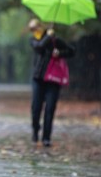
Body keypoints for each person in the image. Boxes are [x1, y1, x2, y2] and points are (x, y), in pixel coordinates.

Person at [28, 18, 75, 147]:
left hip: (53, 80)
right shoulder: (34, 40)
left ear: (40, 27)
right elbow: (39, 47)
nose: (34, 30)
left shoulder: (55, 40)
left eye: (35, 27)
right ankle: (35, 129)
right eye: (32, 29)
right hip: (38, 79)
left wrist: (59, 53)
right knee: (36, 108)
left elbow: (72, 51)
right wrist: (48, 37)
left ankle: (46, 137)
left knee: (50, 108)